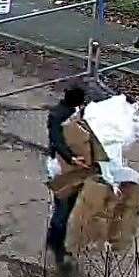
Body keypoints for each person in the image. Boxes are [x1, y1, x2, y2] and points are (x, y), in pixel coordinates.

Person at [45, 83, 88, 265]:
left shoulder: (73, 113)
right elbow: (57, 140)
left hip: (70, 167)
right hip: (61, 167)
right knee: (62, 209)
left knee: (67, 207)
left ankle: (54, 241)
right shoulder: (58, 115)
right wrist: (71, 158)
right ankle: (56, 247)